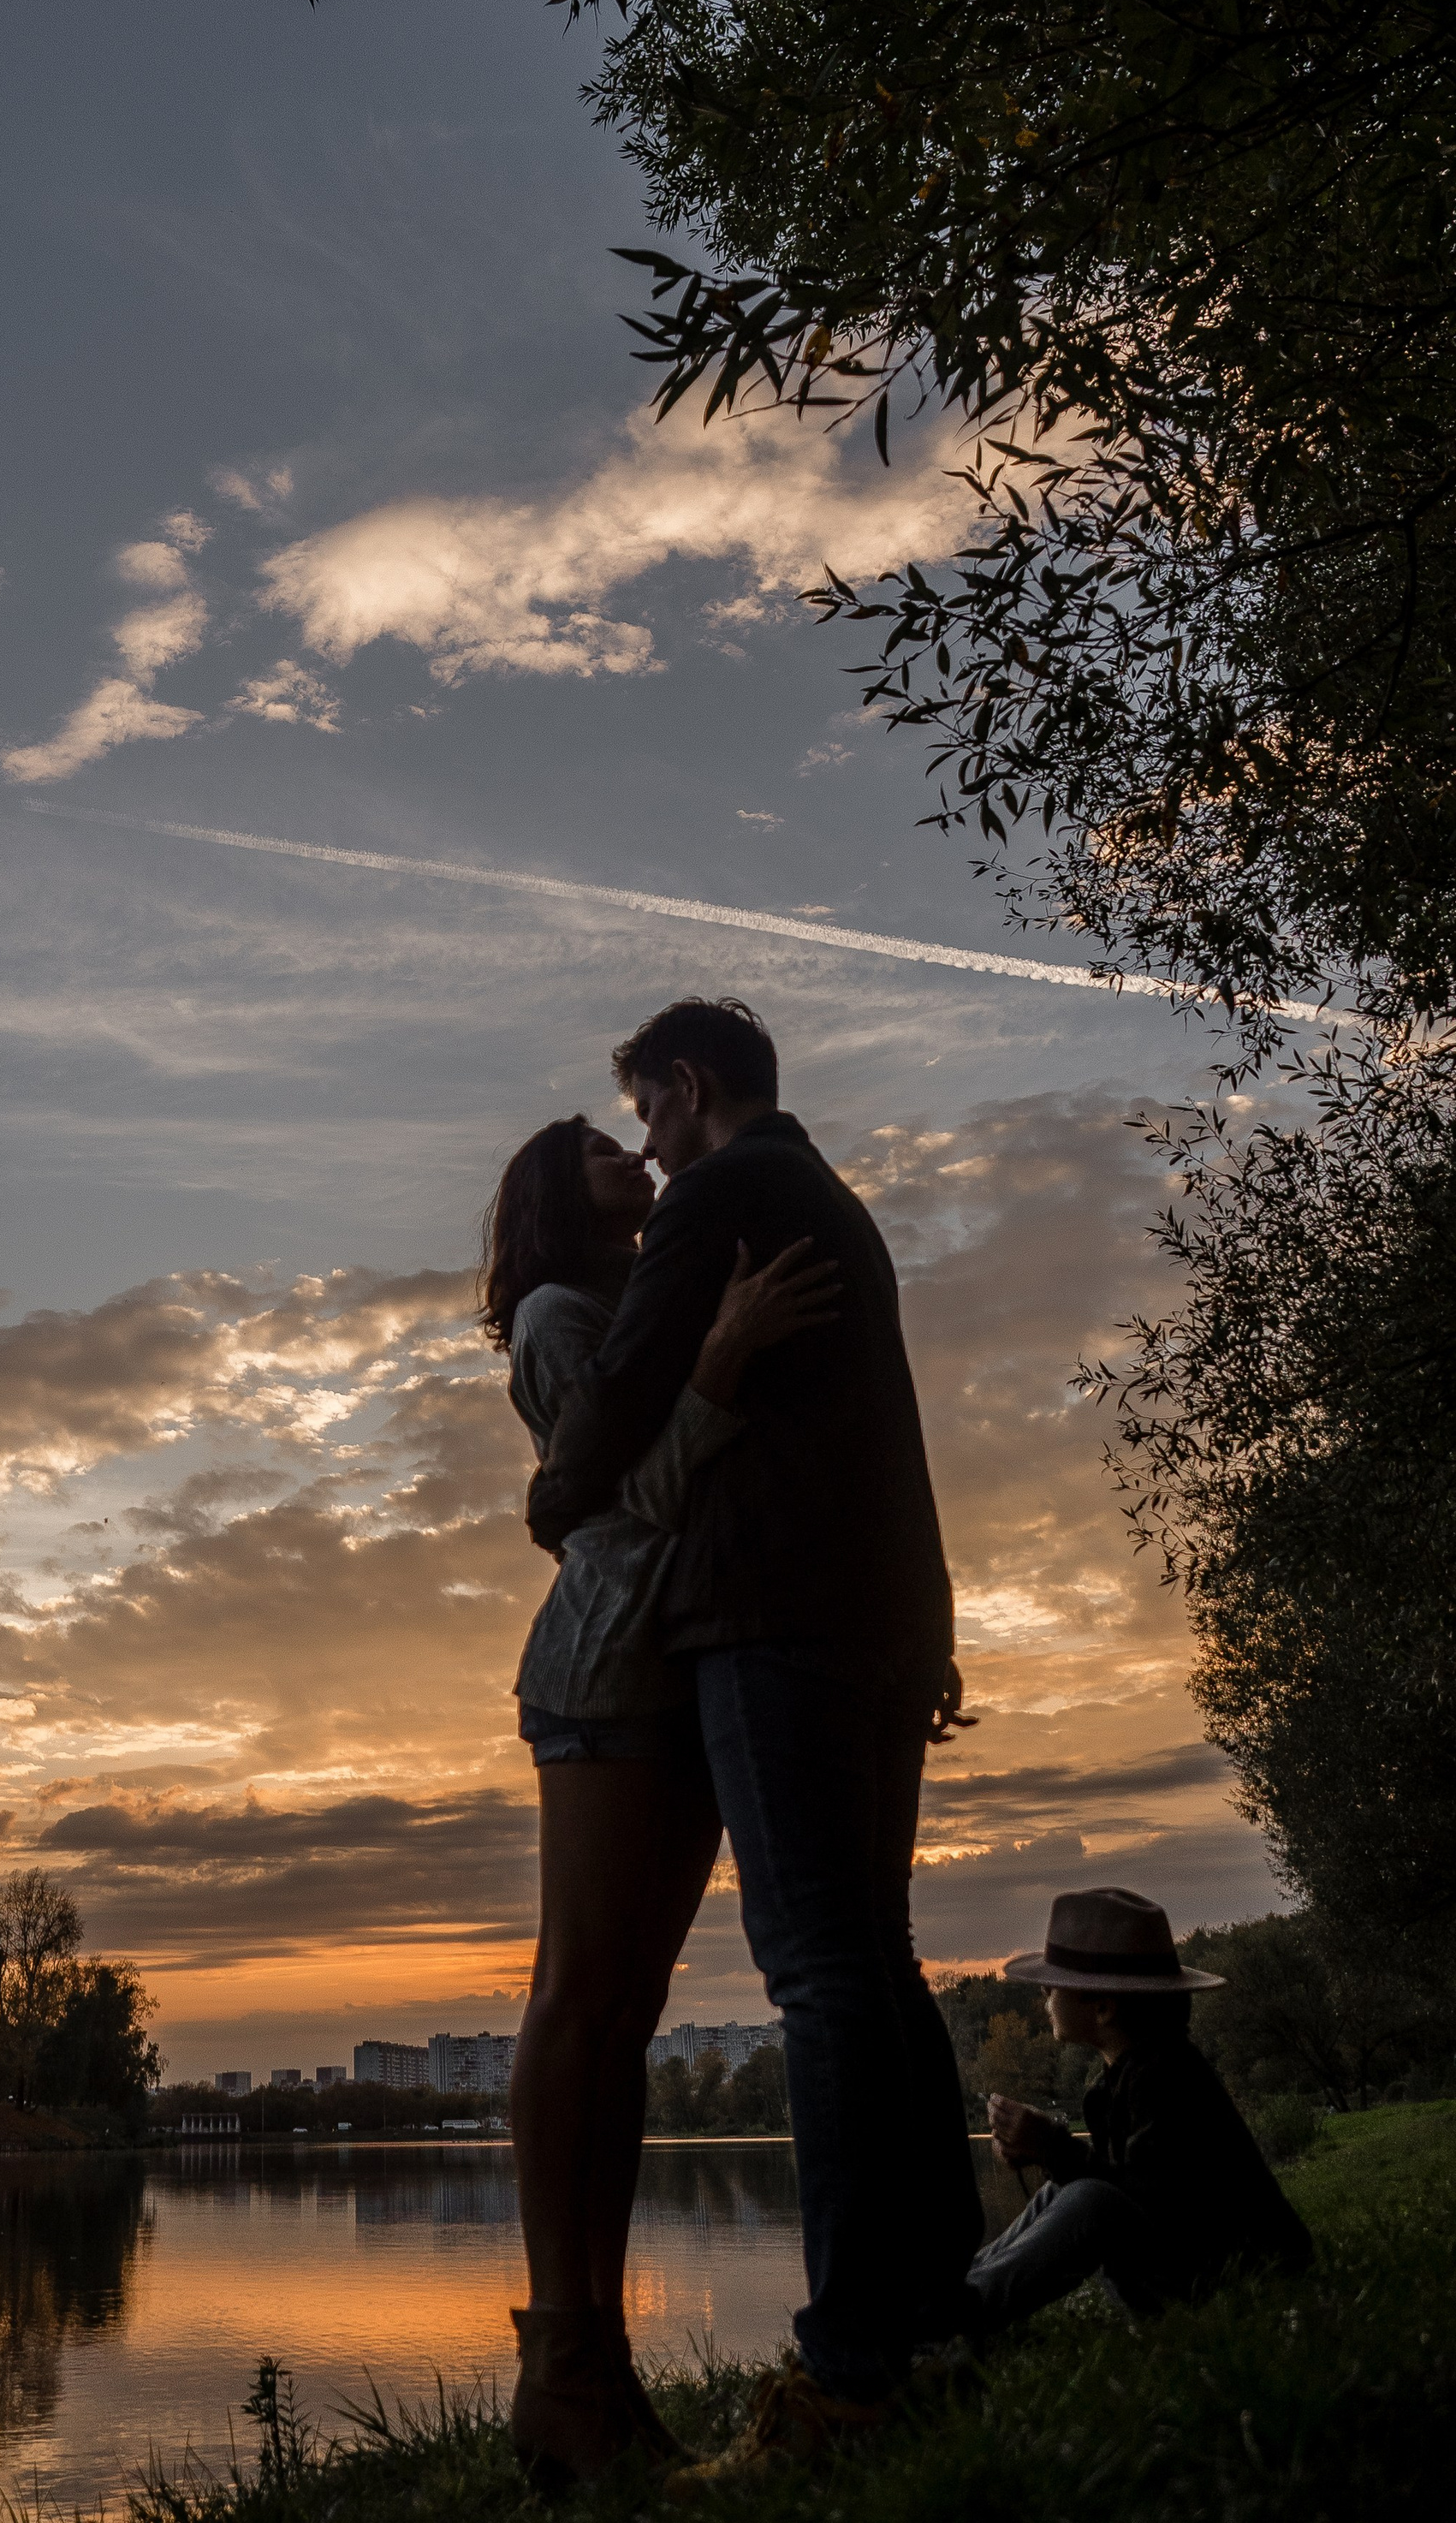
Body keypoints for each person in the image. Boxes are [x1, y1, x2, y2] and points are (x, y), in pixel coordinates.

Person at [526, 997, 983, 2467]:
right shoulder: (828, 1198)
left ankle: (849, 2366)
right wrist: (932, 1625)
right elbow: (879, 1432)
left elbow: (591, 1457)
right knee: (871, 1958)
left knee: (821, 1969)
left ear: (689, 1085)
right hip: (853, 1621)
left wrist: (551, 1497)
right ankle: (926, 2319)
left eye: (641, 1116)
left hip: (773, 1623)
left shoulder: (723, 1193)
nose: (645, 1152)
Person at [482, 1110, 842, 2488]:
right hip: (603, 1672)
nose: (632, 1158)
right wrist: (729, 1355)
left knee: (625, 2019)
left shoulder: (640, 1295)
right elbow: (609, 1503)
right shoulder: (562, 1312)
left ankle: (600, 2378)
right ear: (549, 1195)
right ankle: (561, 2371)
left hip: (675, 1668)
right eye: (597, 1150)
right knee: (578, 1999)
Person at [973, 1886, 1312, 2331]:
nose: (1045, 1997)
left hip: (1231, 2278)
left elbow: (1144, 2203)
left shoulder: (1166, 2077)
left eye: (1053, 1987)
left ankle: (960, 2317)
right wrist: (1042, 2151)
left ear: (1103, 2008)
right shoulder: (1132, 2074)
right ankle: (957, 2294)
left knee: (1088, 2197)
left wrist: (1051, 2144)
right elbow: (1131, 2185)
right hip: (1191, 2268)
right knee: (1065, 2191)